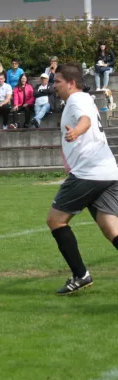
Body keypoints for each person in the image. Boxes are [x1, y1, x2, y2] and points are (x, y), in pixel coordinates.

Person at [46, 63, 118, 295]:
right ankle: (81, 275)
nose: (53, 85)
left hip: (89, 173)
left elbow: (85, 120)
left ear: (71, 82)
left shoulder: (77, 100)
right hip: (108, 172)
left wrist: (77, 131)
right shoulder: (82, 99)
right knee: (112, 231)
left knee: (55, 220)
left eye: (57, 81)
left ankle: (81, 275)